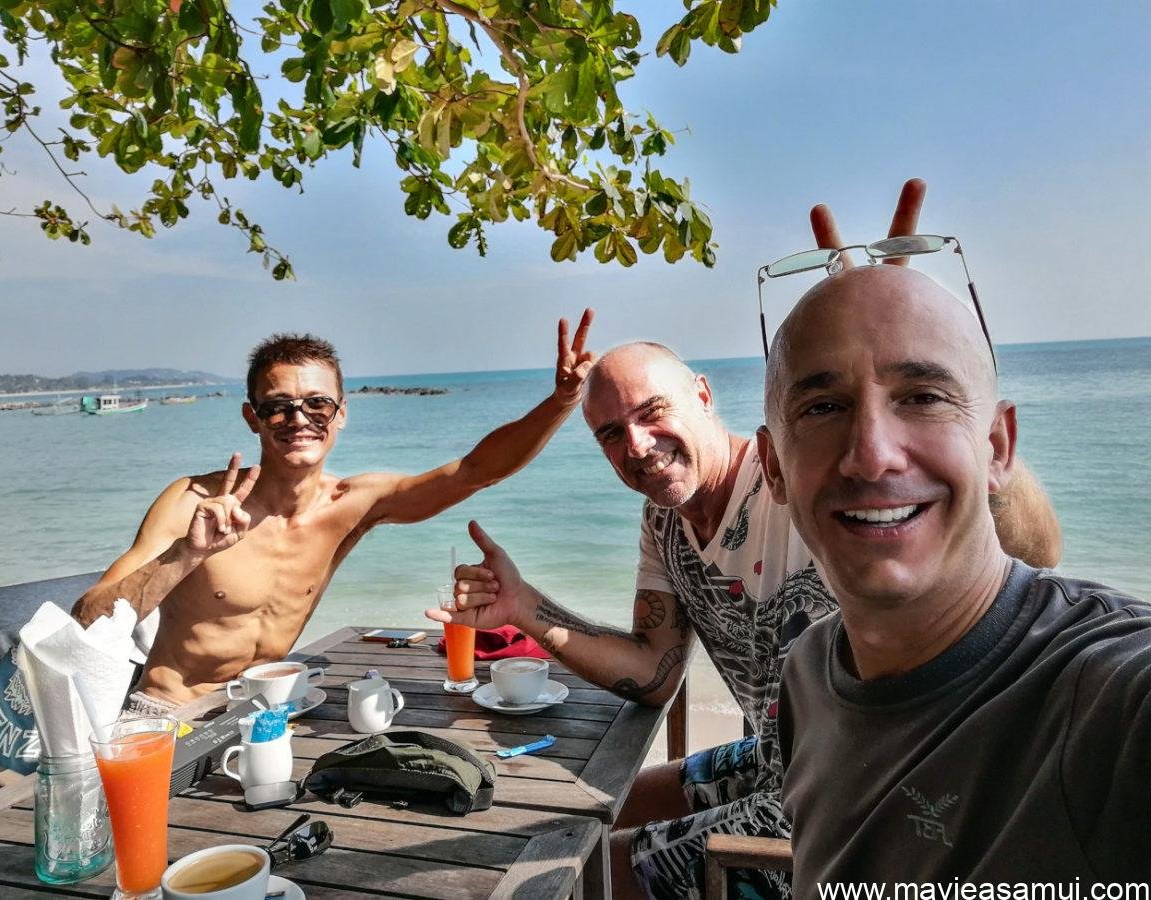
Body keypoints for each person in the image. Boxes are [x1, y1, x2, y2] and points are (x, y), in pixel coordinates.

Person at [429, 182, 1064, 899]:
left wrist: (916, 374)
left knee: (580, 872)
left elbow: (1030, 555)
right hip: (780, 757)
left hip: (847, 789)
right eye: (611, 432)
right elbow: (656, 669)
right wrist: (524, 606)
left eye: (652, 411)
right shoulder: (664, 521)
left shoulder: (793, 477)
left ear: (704, 396)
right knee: (598, 811)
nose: (636, 445)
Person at [761, 263, 1150, 890]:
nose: (872, 453)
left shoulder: (1107, 696)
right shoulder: (808, 672)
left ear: (997, 446)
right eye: (825, 405)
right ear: (773, 468)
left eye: (922, 397)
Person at [72, 313, 596, 714]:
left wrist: (561, 402)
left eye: (317, 404)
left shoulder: (353, 504)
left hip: (268, 712)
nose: (298, 419)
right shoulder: (193, 502)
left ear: (341, 414)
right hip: (166, 713)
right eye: (278, 406)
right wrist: (186, 555)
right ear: (252, 418)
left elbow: (474, 471)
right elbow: (86, 623)